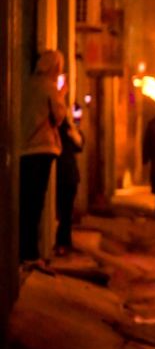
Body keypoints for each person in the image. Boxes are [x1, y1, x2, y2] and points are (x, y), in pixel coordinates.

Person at [20, 49, 67, 268]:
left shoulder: (27, 84)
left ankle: (25, 250)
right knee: (35, 203)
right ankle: (31, 253)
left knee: (26, 202)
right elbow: (59, 117)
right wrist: (62, 94)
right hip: (42, 148)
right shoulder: (49, 87)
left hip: (24, 149)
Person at [54, 107, 84, 256]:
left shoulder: (67, 131)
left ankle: (63, 242)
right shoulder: (56, 130)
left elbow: (80, 145)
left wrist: (74, 131)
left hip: (68, 176)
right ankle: (62, 242)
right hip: (62, 176)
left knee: (65, 212)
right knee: (63, 212)